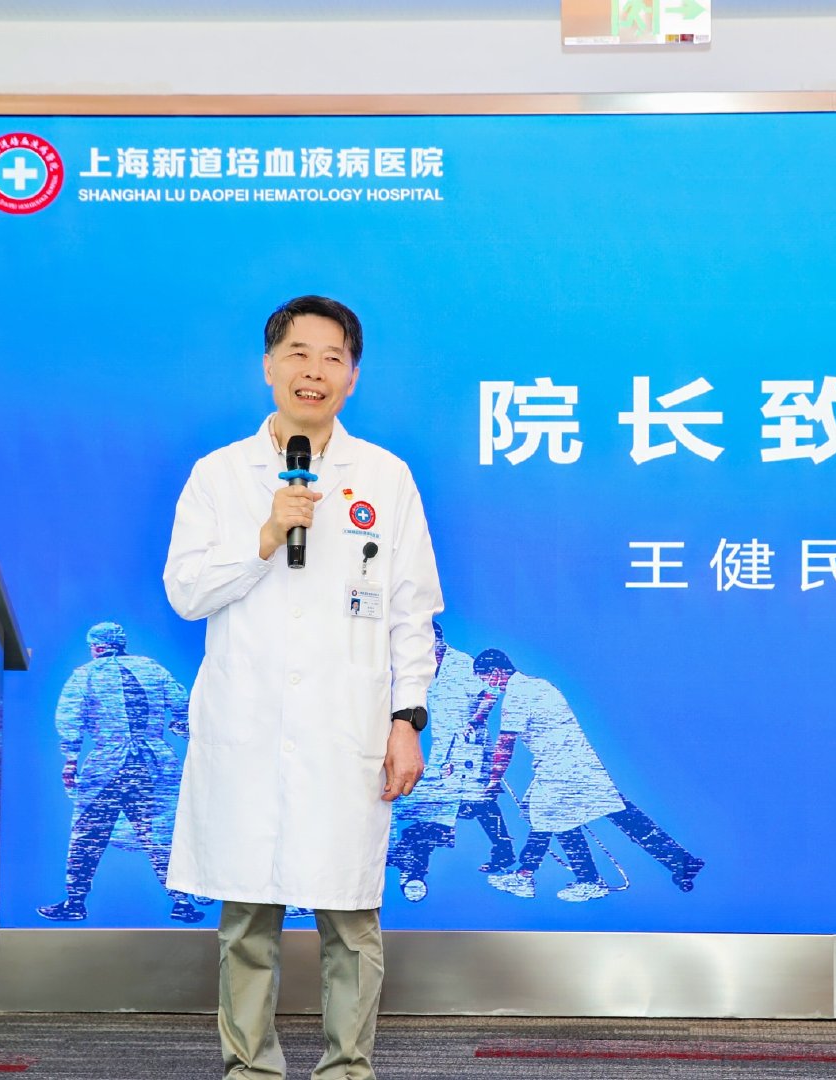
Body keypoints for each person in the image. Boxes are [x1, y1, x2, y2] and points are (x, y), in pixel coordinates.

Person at [163, 295, 443, 1080]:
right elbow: (185, 592)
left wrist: (407, 718)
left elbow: (412, 612)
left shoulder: (384, 477)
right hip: (248, 726)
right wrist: (264, 535)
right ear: (268, 367)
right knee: (246, 916)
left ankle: (347, 1068)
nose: (312, 371)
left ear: (352, 376)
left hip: (345, 724)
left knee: (350, 918)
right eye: (297, 354)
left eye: (331, 358)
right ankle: (249, 1069)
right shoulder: (220, 475)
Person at [473, 649, 703, 902]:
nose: (487, 685)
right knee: (613, 815)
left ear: (496, 672)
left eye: (485, 678)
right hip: (575, 763)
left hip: (560, 769)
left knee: (550, 817)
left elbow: (506, 742)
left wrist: (494, 779)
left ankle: (547, 878)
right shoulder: (538, 685)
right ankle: (681, 861)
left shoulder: (517, 696)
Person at [37, 621, 202, 924]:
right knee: (160, 833)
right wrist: (181, 728)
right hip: (155, 764)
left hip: (107, 766)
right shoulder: (152, 669)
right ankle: (181, 902)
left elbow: (70, 717)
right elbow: (182, 705)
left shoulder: (85, 675)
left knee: (88, 833)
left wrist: (70, 759)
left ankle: (75, 902)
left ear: (97, 646)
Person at [387, 623, 515, 900]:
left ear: (440, 641)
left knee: (475, 800)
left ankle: (501, 849)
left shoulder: (462, 664)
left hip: (468, 747)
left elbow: (491, 693)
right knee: (444, 806)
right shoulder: (418, 667)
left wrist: (475, 721)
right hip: (441, 749)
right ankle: (412, 865)